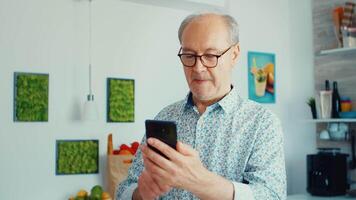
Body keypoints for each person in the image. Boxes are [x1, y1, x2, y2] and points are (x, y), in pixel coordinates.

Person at [117, 12, 286, 200]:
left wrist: (200, 182)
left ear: (234, 54)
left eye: (211, 55)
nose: (198, 68)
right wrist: (141, 194)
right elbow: (125, 188)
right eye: (189, 55)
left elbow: (272, 195)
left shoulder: (262, 123)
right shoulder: (165, 116)